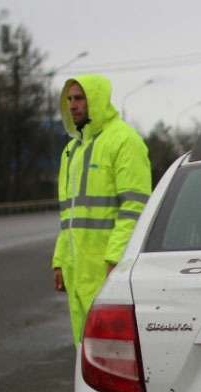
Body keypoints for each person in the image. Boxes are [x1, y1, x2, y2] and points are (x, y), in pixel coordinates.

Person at [51, 75, 152, 345]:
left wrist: (116, 258)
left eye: (79, 98)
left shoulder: (124, 141)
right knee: (84, 345)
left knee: (111, 348)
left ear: (96, 100)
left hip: (107, 266)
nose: (73, 105)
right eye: (69, 99)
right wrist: (60, 261)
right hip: (77, 268)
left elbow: (135, 207)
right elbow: (68, 217)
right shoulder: (71, 150)